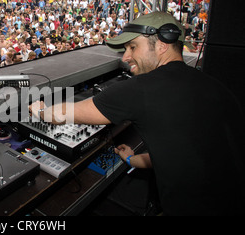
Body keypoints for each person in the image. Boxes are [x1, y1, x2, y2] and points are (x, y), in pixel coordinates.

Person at [29, 12, 245, 216]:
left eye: (133, 47)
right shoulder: (214, 85)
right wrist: (133, 160)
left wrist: (39, 110)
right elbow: (185, 152)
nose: (126, 57)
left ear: (162, 44)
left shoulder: (142, 89)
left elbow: (64, 114)